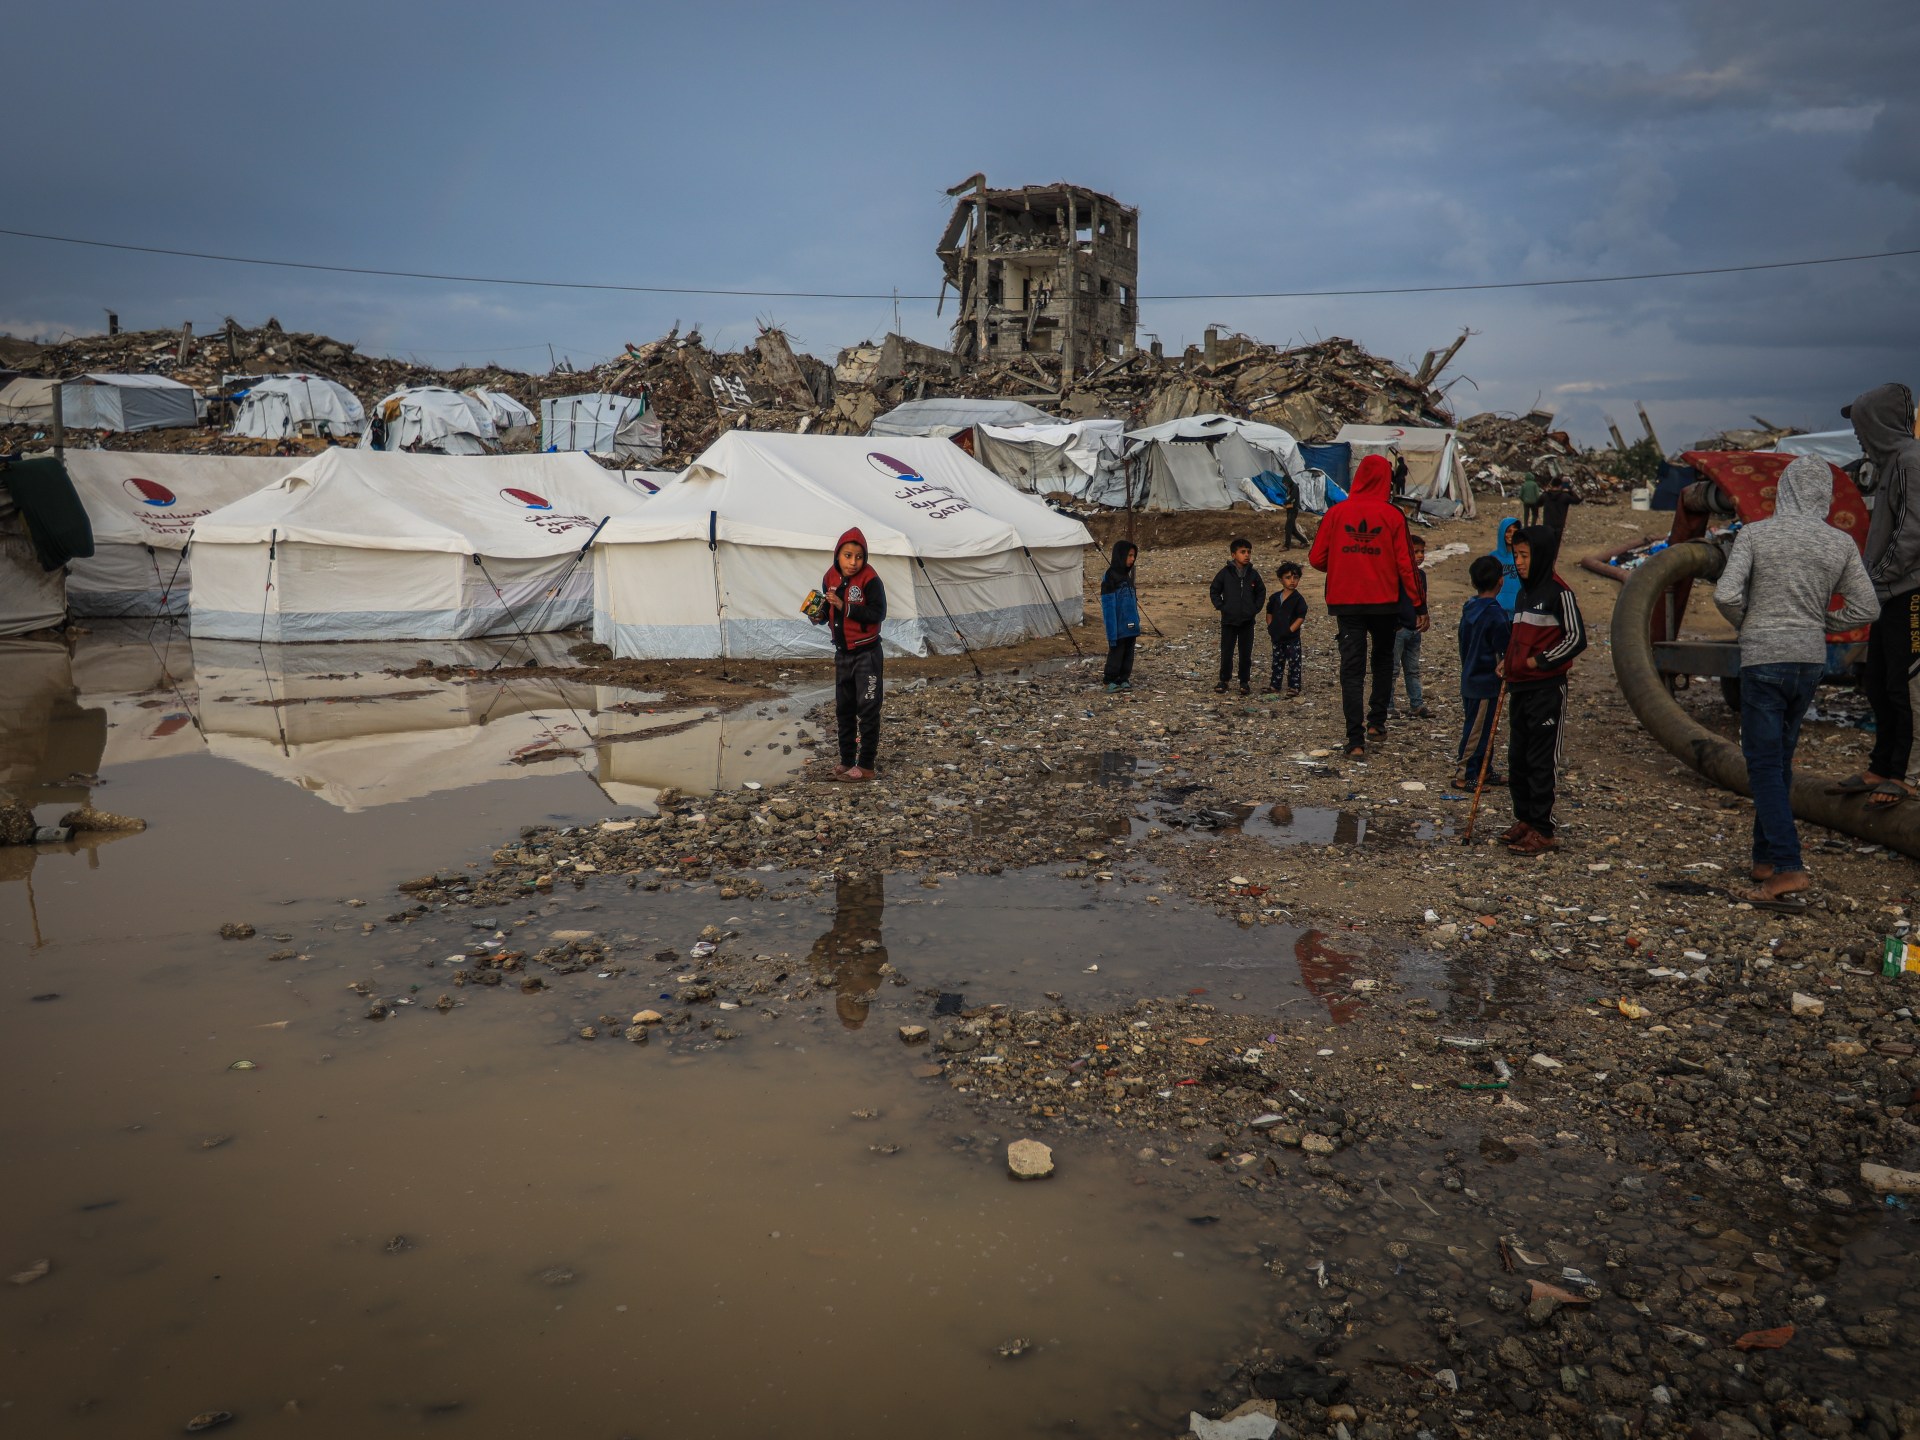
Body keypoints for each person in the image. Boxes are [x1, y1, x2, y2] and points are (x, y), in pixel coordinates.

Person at [1714, 455, 1879, 905]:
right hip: (1808, 661)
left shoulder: (1755, 534)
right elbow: (1867, 608)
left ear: (1784, 490)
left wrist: (1750, 623)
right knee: (1779, 761)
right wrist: (1822, 622)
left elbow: (1725, 594)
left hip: (1764, 658)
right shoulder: (1839, 543)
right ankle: (1764, 859)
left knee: (1763, 764)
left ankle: (1788, 867)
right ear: (1824, 495)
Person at [1833, 383, 1920, 808]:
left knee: (1908, 685)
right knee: (1879, 682)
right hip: (1889, 592)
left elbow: (1911, 533)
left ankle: (1909, 774)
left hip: (1910, 592)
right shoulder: (1890, 466)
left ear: (1878, 422)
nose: (1857, 434)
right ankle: (1883, 766)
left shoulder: (1910, 461)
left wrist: (1876, 579)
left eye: (1860, 424)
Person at [1309, 454, 1422, 757]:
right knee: (1383, 660)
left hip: (1346, 602)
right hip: (1384, 603)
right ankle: (1376, 723)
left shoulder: (1336, 512)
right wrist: (1419, 605)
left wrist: (1344, 563)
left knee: (1352, 669)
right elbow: (1407, 565)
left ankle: (1355, 741)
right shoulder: (1393, 515)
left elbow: (1316, 558)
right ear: (1386, 480)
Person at [1501, 525, 1588, 854]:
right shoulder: (1524, 594)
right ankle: (1525, 818)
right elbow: (1518, 639)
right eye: (1516, 555)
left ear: (1541, 556)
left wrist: (1541, 661)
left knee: (1540, 759)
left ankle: (1543, 829)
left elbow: (1576, 638)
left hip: (1546, 689)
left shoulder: (1558, 593)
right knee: (1518, 758)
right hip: (1519, 687)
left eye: (1525, 556)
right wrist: (1508, 663)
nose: (1519, 562)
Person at [812, 527, 885, 781]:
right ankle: (846, 761)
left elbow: (878, 613)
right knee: (844, 709)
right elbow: (828, 612)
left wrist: (845, 606)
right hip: (842, 653)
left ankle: (866, 766)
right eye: (848, 556)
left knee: (868, 709)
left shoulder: (870, 579)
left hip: (867, 654)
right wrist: (818, 615)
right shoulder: (829, 576)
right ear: (837, 555)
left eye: (859, 557)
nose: (853, 562)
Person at [1455, 554, 1512, 789]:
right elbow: (1505, 649)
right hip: (1485, 681)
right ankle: (1465, 773)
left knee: (1484, 727)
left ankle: (1483, 769)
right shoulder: (1496, 614)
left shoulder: (1470, 607)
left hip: (1470, 675)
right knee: (1477, 730)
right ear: (1501, 581)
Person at [1210, 537, 1265, 696]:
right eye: (1243, 552)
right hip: (1229, 621)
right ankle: (1224, 680)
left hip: (1247, 621)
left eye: (1249, 552)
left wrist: (1254, 609)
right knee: (1227, 652)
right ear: (1233, 555)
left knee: (1245, 653)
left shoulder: (1253, 574)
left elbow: (1261, 592)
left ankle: (1244, 682)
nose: (1247, 555)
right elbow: (1214, 590)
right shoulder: (1225, 573)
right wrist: (1222, 607)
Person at [1388, 534, 1431, 718]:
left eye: (1422, 552)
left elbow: (1422, 601)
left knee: (1413, 669)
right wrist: (1396, 624)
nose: (1420, 556)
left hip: (1414, 629)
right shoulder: (1396, 576)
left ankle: (1417, 704)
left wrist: (1424, 619)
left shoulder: (1421, 576)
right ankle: (1387, 705)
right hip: (1398, 630)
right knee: (1392, 669)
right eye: (1416, 552)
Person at [1100, 540, 1141, 693]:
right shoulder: (1110, 577)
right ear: (1121, 555)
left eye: (1134, 556)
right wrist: (1112, 631)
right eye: (1129, 555)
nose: (1132, 559)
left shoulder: (1127, 576)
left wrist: (1136, 621)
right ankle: (1109, 679)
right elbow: (1108, 606)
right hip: (1118, 625)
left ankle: (1123, 678)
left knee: (1128, 654)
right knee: (1116, 653)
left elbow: (1132, 601)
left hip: (1130, 625)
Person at [1264, 561, 1307, 696]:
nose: (1292, 581)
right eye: (1288, 577)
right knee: (1277, 661)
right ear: (1281, 580)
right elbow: (1269, 612)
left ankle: (1294, 687)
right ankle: (1275, 685)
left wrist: (1290, 630)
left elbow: (1300, 617)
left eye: (1295, 578)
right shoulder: (1275, 598)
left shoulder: (1298, 599)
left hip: (1291, 638)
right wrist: (1270, 626)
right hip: (1277, 636)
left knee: (1294, 662)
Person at [1490, 517, 1524, 611]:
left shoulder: (1523, 557)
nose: (1511, 534)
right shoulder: (1493, 557)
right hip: (1497, 608)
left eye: (1515, 531)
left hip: (1518, 609)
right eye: (1508, 531)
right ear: (1502, 533)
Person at [1282, 476, 1312, 551]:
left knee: (1288, 528)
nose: (1285, 485)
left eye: (1285, 483)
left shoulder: (1294, 487)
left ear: (1288, 481)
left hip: (1293, 510)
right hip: (1289, 510)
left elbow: (1292, 497)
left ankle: (1287, 546)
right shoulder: (1289, 488)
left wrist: (1286, 502)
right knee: (1292, 529)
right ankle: (1304, 541)